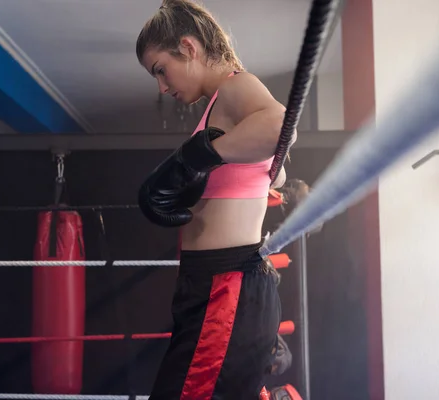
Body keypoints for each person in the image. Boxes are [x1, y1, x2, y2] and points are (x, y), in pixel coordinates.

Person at [135, 0, 296, 399]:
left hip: (226, 286)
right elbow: (278, 170)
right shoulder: (220, 104)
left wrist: (191, 160)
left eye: (161, 70)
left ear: (188, 48)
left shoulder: (234, 85)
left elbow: (281, 129)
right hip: (214, 286)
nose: (162, 86)